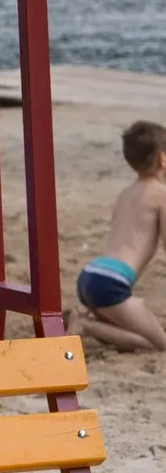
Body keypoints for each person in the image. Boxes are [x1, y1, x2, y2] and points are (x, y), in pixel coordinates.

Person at [68, 120, 166, 352]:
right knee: (159, 344)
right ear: (163, 159)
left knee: (129, 333)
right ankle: (85, 325)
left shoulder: (126, 193)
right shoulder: (161, 194)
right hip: (111, 285)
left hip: (91, 276)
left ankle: (89, 321)